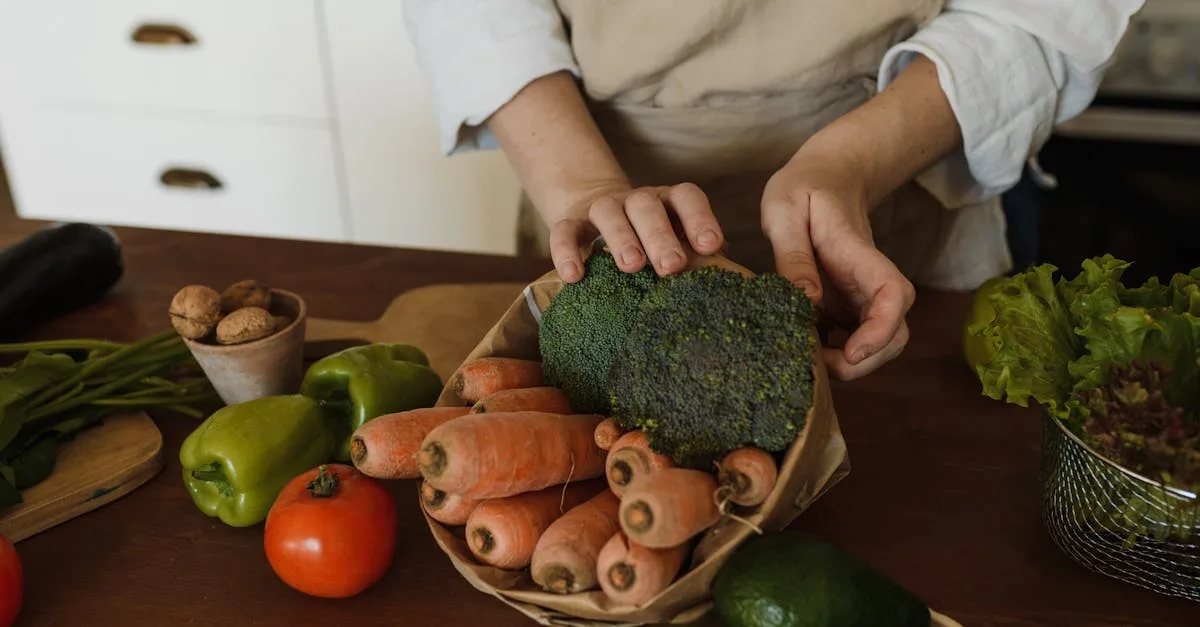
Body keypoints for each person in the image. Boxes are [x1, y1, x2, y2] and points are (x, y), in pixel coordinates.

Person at [400, 0, 1143, 380]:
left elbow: (1051, 10)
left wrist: (855, 160)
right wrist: (581, 183)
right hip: (584, 168)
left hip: (903, 163)